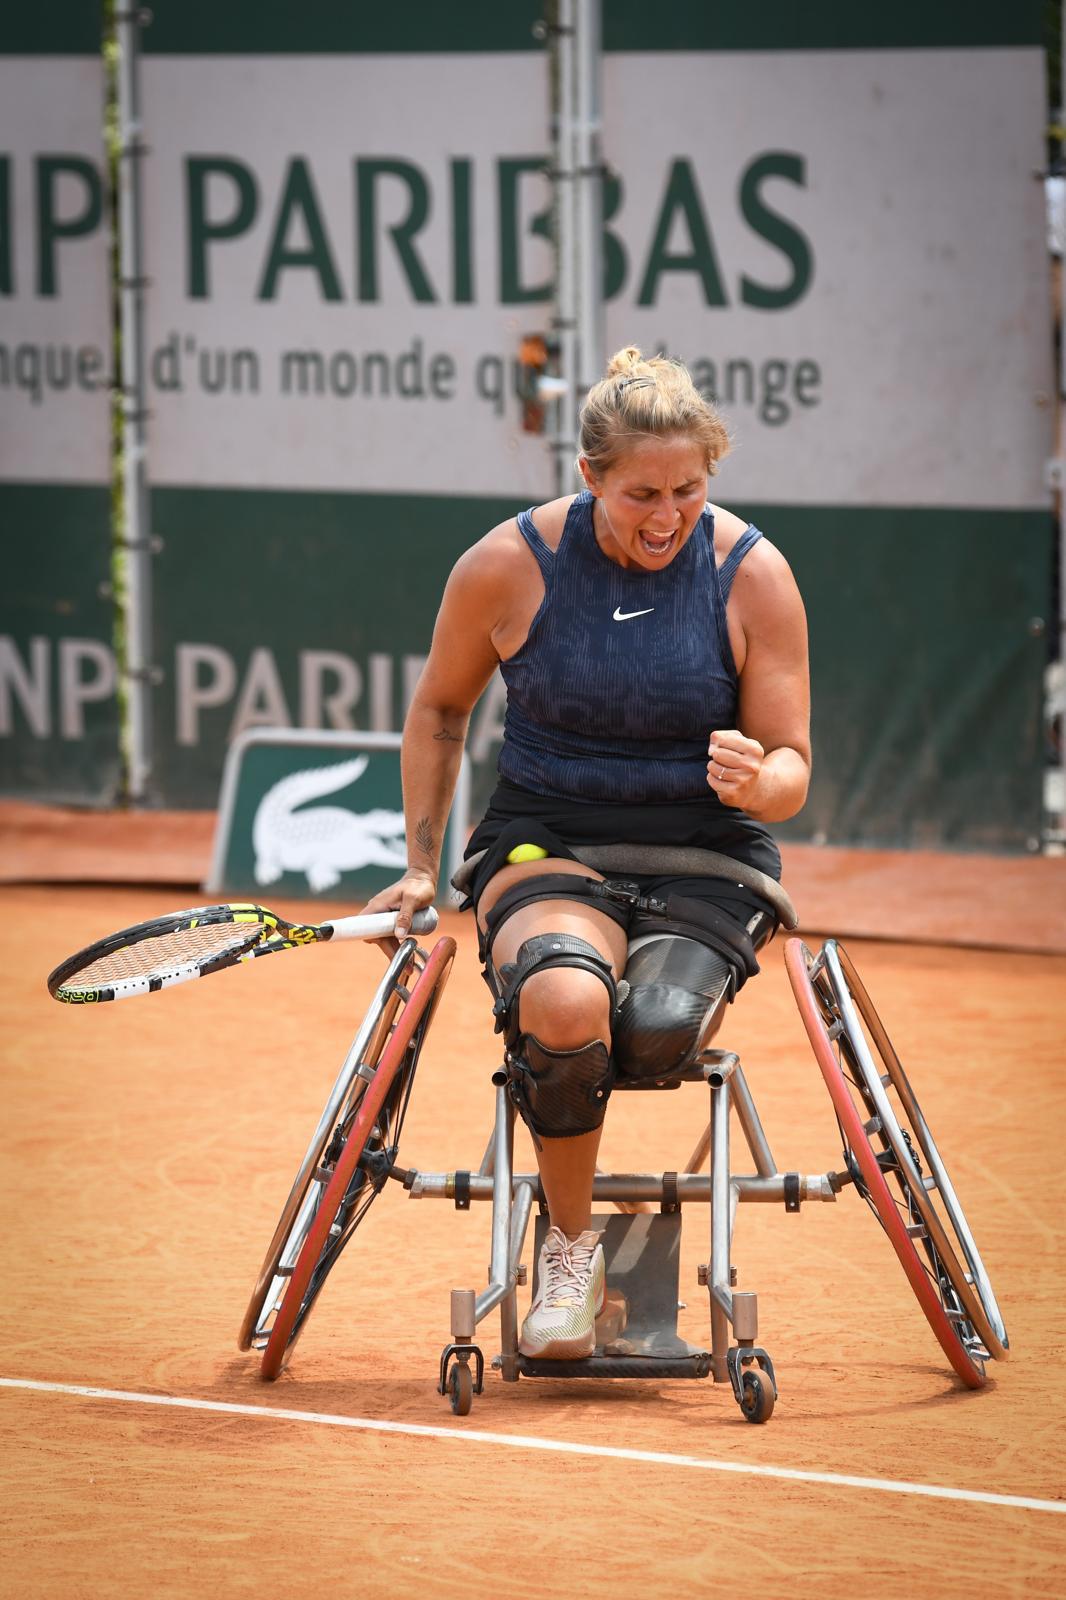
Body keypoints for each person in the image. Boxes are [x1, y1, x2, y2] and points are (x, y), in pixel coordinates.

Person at [364, 346, 810, 1360]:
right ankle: (568, 1247)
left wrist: (761, 779)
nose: (665, 517)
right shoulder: (504, 567)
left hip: (704, 851)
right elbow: (438, 712)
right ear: (588, 478)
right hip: (546, 837)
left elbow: (791, 765)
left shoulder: (753, 576)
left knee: (652, 1032)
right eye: (640, 493)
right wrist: (423, 866)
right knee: (565, 1006)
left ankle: (584, 1204)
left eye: (688, 490)